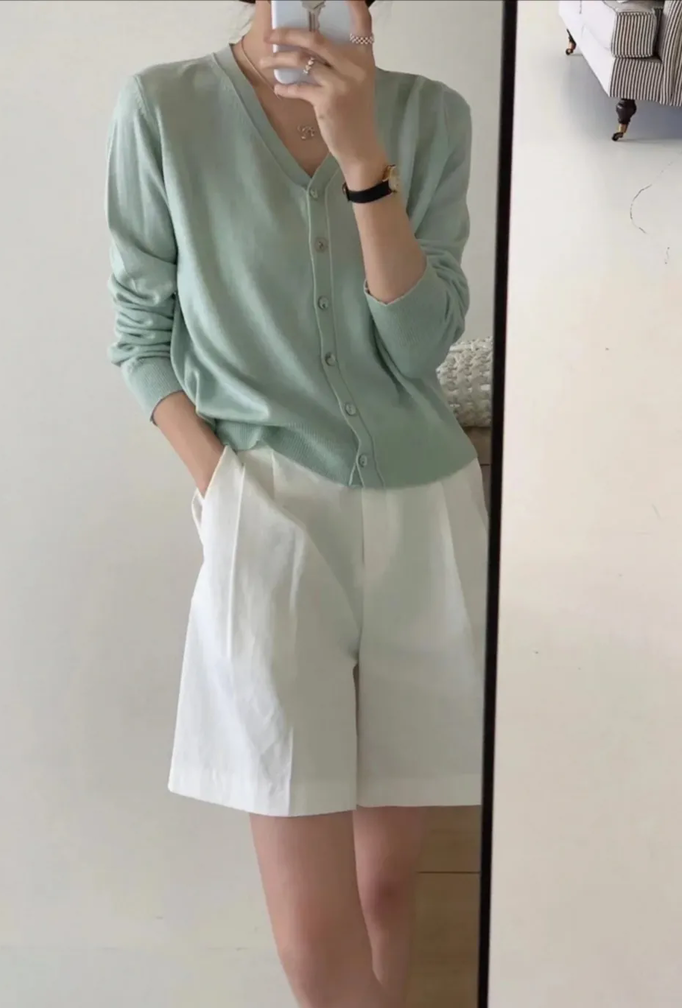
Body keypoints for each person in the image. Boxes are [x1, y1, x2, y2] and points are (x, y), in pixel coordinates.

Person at [105, 1, 487, 1005]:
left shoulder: (432, 115)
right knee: (313, 936)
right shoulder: (163, 109)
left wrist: (359, 152)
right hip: (267, 515)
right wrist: (224, 485)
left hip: (427, 518)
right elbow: (140, 337)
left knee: (385, 892)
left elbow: (418, 347)